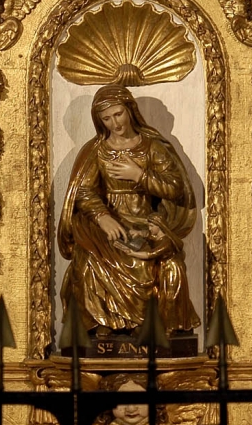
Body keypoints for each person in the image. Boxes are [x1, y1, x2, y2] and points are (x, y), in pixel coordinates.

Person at [57, 85, 200, 339]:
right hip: (108, 222)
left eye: (118, 114)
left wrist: (140, 175)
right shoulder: (97, 151)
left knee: (142, 259)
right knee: (90, 258)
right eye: (107, 118)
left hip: (145, 221)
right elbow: (85, 192)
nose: (115, 123)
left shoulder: (151, 147)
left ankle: (140, 325)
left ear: (130, 110)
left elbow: (176, 188)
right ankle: (103, 322)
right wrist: (103, 217)